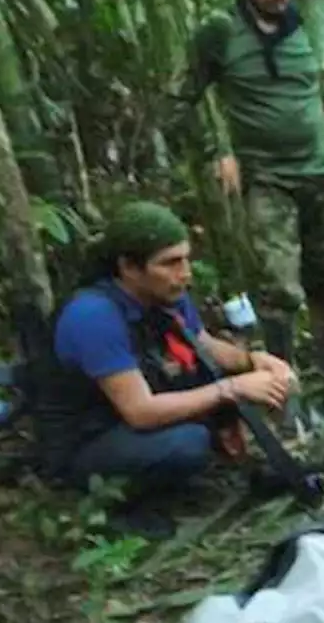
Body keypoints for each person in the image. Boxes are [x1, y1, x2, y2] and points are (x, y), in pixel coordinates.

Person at [36, 202, 295, 538]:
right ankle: (116, 504)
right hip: (88, 439)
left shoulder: (166, 294)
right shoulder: (93, 317)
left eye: (186, 259)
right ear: (128, 267)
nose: (185, 273)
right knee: (188, 443)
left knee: (227, 390)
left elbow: (203, 344)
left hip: (137, 410)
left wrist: (255, 361)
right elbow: (140, 412)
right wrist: (233, 389)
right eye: (170, 263)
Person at [166, 0, 324, 378]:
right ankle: (282, 381)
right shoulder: (221, 32)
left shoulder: (308, 22)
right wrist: (217, 152)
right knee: (279, 288)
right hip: (268, 178)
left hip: (322, 173)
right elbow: (178, 100)